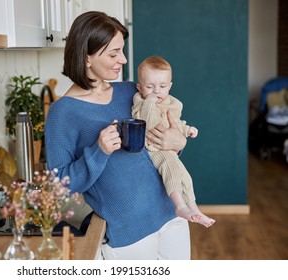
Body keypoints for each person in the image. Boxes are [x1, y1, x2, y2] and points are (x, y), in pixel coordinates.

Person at [45, 11, 190, 260]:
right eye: (113, 53)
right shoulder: (63, 112)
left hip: (172, 214)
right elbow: (60, 187)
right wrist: (99, 150)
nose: (123, 59)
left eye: (121, 51)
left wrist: (179, 142)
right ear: (86, 57)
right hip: (129, 235)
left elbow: (160, 143)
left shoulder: (129, 92)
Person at [132, 56, 215, 228]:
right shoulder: (140, 101)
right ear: (139, 87)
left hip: (169, 149)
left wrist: (186, 130)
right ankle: (180, 206)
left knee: (185, 177)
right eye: (150, 87)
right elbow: (146, 121)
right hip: (153, 148)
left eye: (162, 86)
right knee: (170, 168)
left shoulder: (174, 103)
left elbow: (176, 123)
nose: (156, 91)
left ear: (169, 86)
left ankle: (195, 209)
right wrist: (149, 102)